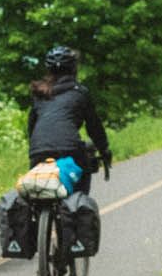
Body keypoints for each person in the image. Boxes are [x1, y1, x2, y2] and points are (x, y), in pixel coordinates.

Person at [27, 44, 111, 189]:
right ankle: (78, 201)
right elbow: (94, 127)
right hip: (69, 150)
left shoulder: (40, 94)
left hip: (38, 151)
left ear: (48, 70)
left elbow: (32, 128)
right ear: (74, 69)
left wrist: (39, 147)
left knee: (36, 191)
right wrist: (104, 150)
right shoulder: (80, 92)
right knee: (82, 177)